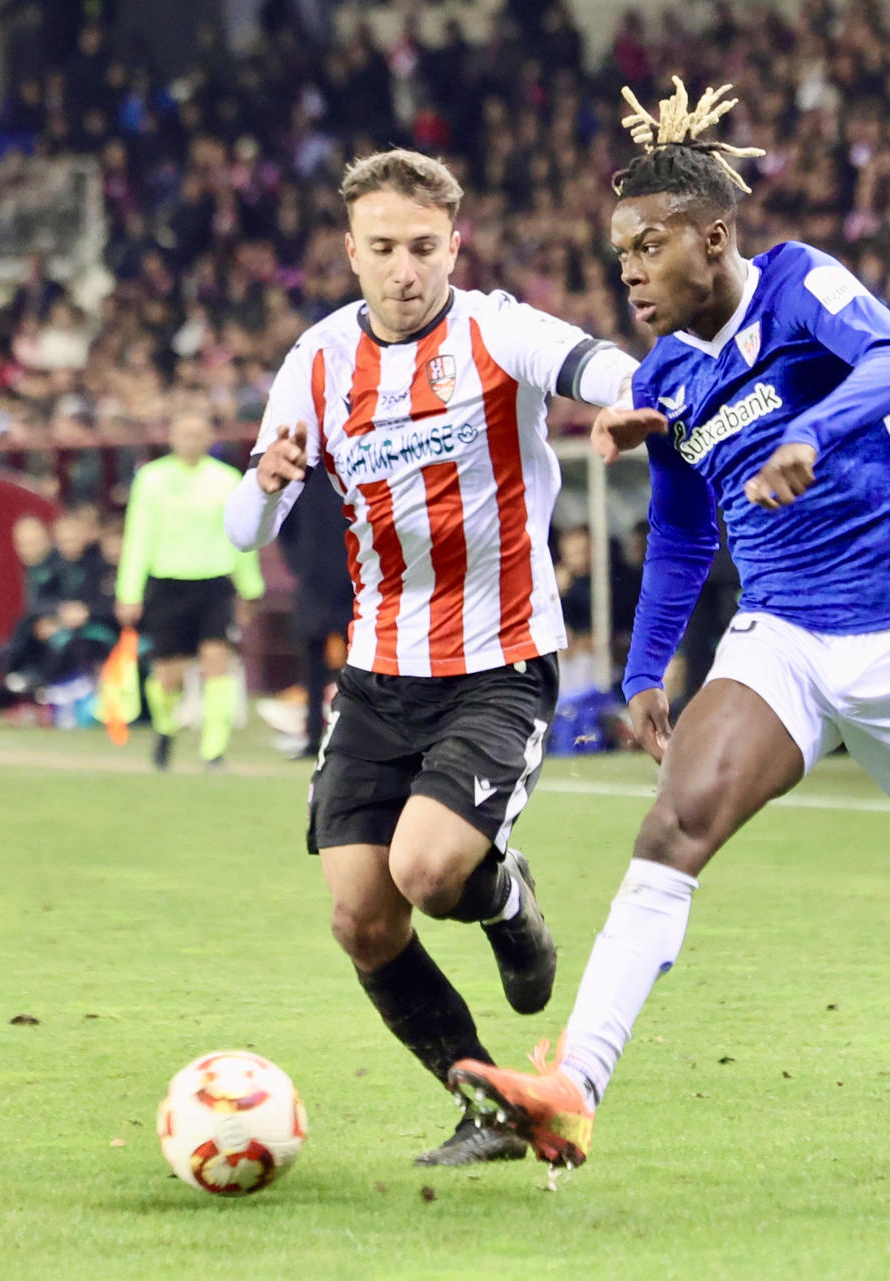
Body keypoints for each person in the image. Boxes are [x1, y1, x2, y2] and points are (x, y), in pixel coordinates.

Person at [446, 81, 890, 1170]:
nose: (628, 270)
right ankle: (573, 1084)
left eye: (648, 245)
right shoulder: (666, 379)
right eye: (619, 252)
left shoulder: (805, 284)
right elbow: (679, 537)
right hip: (785, 642)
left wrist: (811, 435)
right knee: (676, 826)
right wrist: (645, 671)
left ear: (714, 236)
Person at [223, 148, 641, 1166]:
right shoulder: (319, 361)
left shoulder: (496, 327)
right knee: (363, 919)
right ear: (349, 251)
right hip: (378, 676)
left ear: (453, 245)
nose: (403, 269)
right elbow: (244, 526)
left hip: (500, 662)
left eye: (422, 247)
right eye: (382, 249)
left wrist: (631, 398)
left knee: (429, 869)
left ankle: (505, 898)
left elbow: (593, 365)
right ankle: (483, 1104)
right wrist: (272, 481)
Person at [115, 410, 267, 771]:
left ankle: (214, 750)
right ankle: (165, 729)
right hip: (168, 583)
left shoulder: (227, 479)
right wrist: (129, 591)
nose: (191, 441)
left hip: (214, 583)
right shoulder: (152, 479)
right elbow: (139, 536)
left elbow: (240, 536)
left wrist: (250, 587)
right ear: (171, 437)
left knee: (217, 662)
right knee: (169, 675)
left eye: (199, 434)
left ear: (209, 438)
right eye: (184, 433)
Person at [275, 467, 353, 758]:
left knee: (358, 667)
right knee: (311, 664)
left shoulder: (355, 468)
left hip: (355, 582)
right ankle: (312, 737)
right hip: (314, 583)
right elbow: (285, 524)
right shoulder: (303, 477)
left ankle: (351, 736)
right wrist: (300, 563)